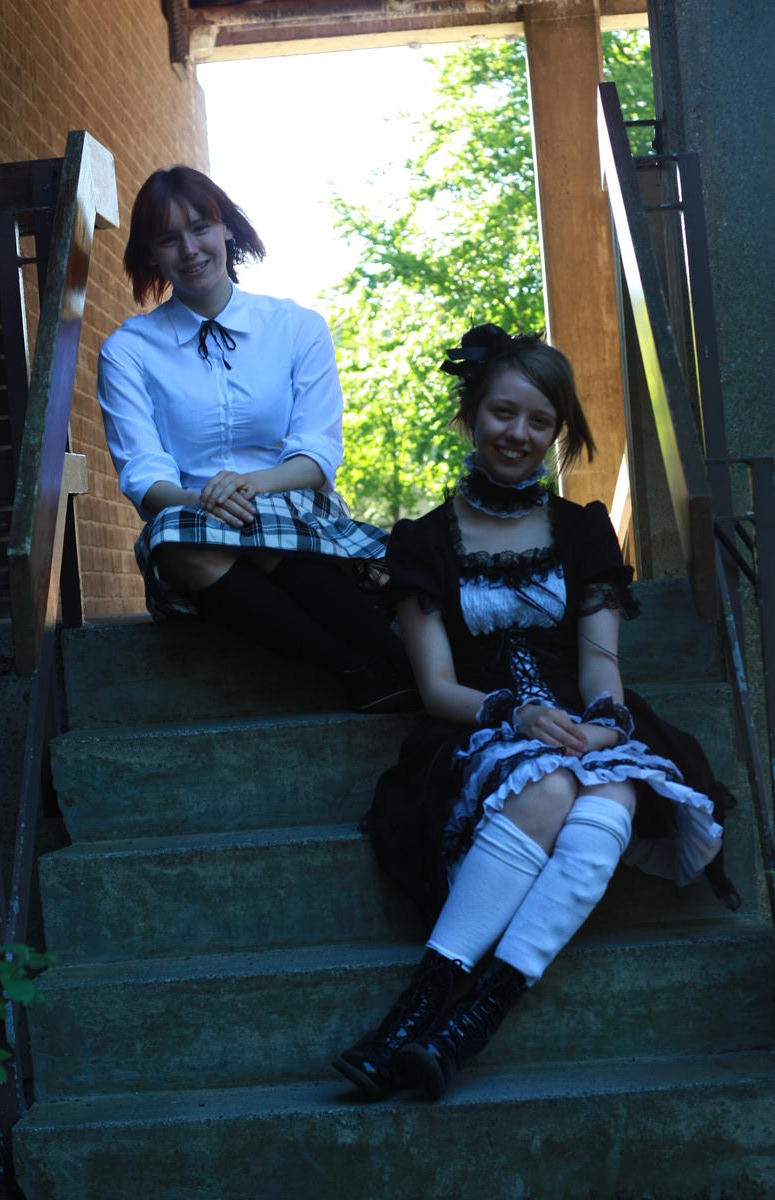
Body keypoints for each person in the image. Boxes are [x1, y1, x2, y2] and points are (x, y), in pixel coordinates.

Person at [332, 323, 737, 1102]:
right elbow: (436, 686)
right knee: (548, 787)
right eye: (502, 413)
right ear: (472, 415)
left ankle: (469, 1023)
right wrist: (513, 715)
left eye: (539, 420)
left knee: (613, 788)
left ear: (558, 431)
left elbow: (599, 661)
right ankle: (418, 1011)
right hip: (479, 721)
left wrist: (605, 723)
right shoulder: (423, 543)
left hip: (579, 715)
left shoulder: (582, 529)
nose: (518, 433)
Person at [97, 165, 417, 713]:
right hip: (194, 523)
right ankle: (353, 666)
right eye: (169, 239)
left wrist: (246, 487)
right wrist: (207, 500)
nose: (190, 249)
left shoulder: (296, 327)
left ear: (226, 229)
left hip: (294, 506)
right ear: (151, 253)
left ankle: (393, 664)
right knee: (173, 537)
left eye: (200, 228)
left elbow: (317, 455)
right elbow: (144, 475)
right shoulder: (128, 351)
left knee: (254, 525)